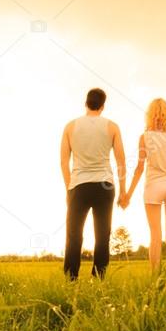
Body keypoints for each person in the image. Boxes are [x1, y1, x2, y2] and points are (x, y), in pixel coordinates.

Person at [60, 88, 127, 280]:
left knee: (73, 236)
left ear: (86, 103)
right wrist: (123, 191)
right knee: (102, 235)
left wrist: (69, 189)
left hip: (78, 186)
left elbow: (64, 162)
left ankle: (71, 279)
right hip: (104, 186)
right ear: (103, 106)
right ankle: (98, 279)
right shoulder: (112, 127)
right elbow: (121, 162)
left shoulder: (70, 127)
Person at [121, 98, 166, 272]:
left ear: (150, 115)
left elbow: (139, 168)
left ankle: (155, 278)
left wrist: (128, 194)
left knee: (155, 237)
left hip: (153, 187)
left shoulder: (145, 137)